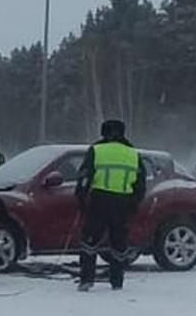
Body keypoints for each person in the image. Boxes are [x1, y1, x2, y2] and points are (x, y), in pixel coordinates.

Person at [75, 119, 146, 292]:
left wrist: (81, 199)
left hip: (99, 200)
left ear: (103, 132)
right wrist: (134, 202)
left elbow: (85, 177)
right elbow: (140, 184)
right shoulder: (133, 154)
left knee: (90, 241)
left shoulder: (96, 151)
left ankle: (86, 279)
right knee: (119, 242)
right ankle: (117, 281)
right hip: (123, 202)